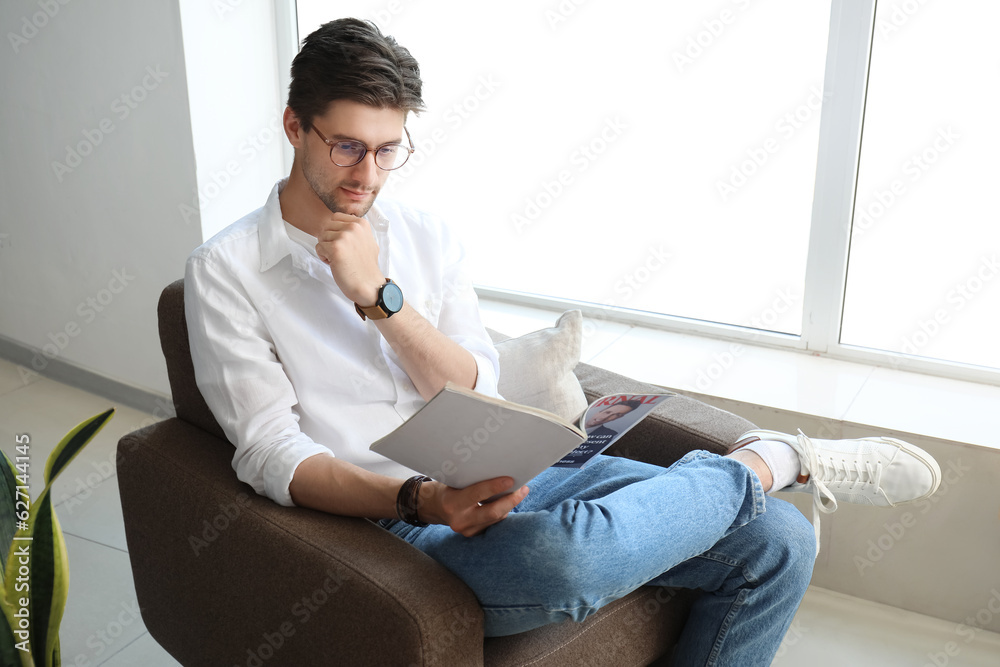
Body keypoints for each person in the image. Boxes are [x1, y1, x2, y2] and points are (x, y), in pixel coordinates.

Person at [184, 18, 942, 665]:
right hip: (391, 517)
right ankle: (775, 459)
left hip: (498, 472)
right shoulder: (226, 272)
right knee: (564, 558)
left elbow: (472, 384)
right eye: (349, 146)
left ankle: (766, 472)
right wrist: (422, 498)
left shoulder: (424, 236)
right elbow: (270, 452)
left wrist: (379, 299)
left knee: (781, 542)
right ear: (293, 126)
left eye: (388, 150)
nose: (369, 174)